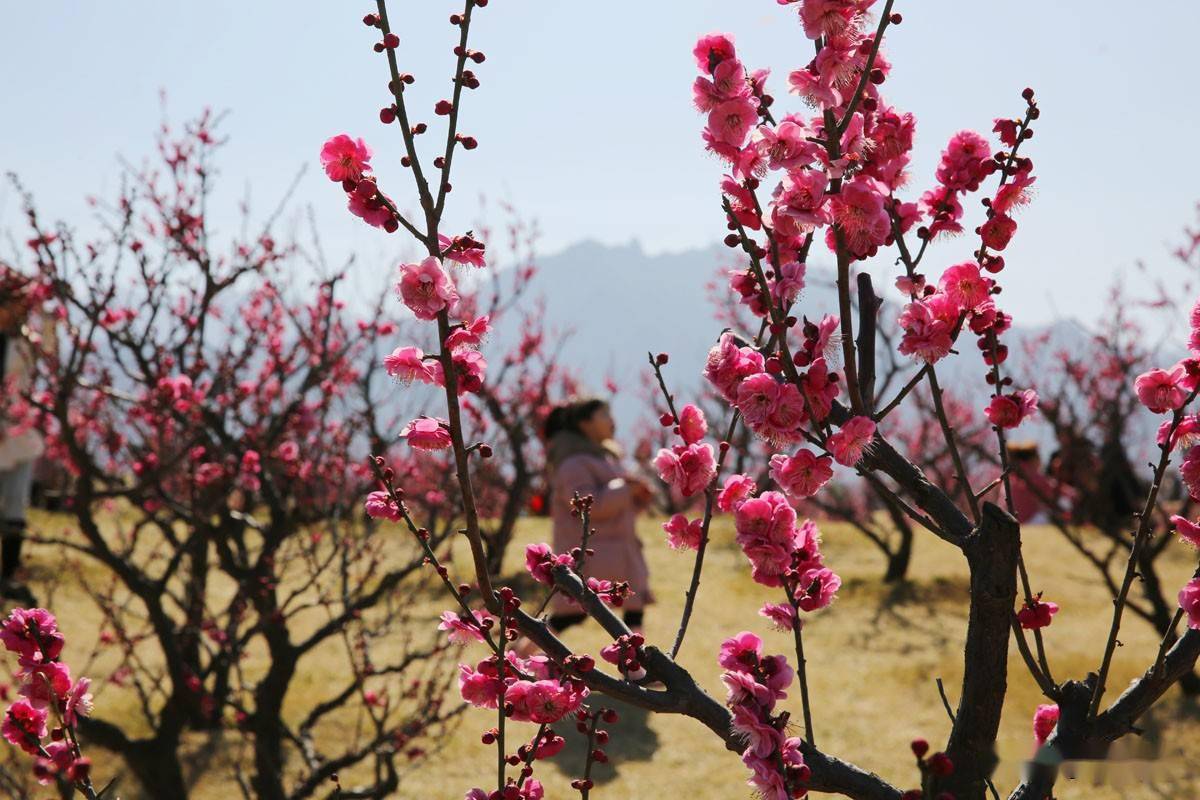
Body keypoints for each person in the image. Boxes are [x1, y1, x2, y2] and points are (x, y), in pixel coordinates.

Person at [542, 397, 653, 635]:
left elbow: (619, 507)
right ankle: (522, 659)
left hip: (618, 552)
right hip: (594, 554)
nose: (612, 421)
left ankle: (640, 669)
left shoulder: (602, 459)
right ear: (584, 423)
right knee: (566, 618)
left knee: (633, 615)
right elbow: (587, 505)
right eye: (604, 415)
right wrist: (626, 489)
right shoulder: (573, 463)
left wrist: (637, 496)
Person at [0, 268, 42, 603]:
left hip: (19, 432)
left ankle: (8, 574)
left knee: (16, 503)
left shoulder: (27, 340)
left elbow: (51, 354)